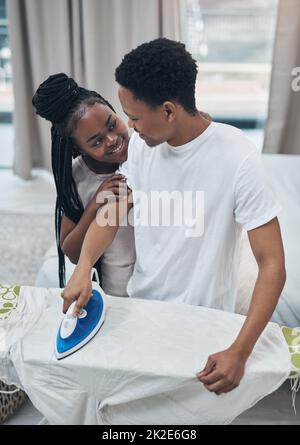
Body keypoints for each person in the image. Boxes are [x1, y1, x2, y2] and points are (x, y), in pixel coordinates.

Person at [62, 39, 286, 395]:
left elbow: (272, 263)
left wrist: (240, 352)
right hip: (142, 312)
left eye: (134, 118)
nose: (129, 129)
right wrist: (83, 266)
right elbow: (114, 212)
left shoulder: (238, 157)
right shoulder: (140, 149)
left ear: (168, 110)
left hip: (204, 322)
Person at [32, 73, 135, 297]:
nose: (112, 140)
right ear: (79, 149)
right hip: (117, 289)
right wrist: (93, 206)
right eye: (96, 141)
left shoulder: (144, 146)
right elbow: (71, 252)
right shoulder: (77, 177)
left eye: (112, 124)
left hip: (159, 279)